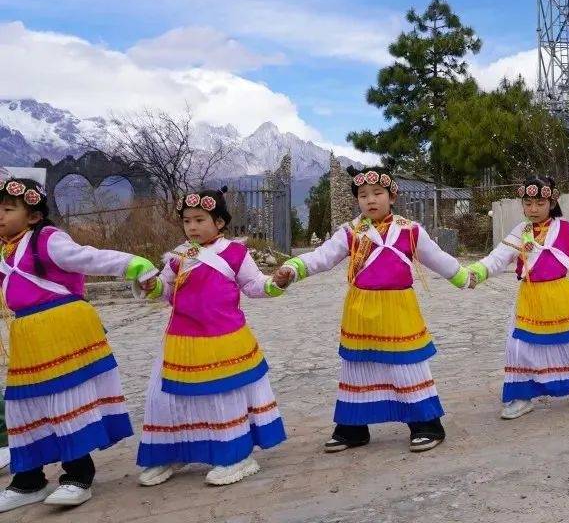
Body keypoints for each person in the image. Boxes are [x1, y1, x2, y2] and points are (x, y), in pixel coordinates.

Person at [274, 167, 472, 453]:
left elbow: (437, 258)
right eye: (363, 195)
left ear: (392, 197)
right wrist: (293, 268)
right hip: (360, 311)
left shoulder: (410, 230)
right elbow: (323, 256)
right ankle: (352, 429)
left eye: (377, 193)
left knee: (407, 367)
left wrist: (464, 277)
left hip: (398, 310)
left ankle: (426, 425)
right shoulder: (351, 232)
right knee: (358, 368)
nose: (370, 200)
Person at [0, 178, 156, 512]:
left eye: (8, 209)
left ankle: (78, 475)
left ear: (33, 216)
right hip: (27, 334)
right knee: (23, 406)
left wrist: (133, 265)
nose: (0, 216)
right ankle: (28, 480)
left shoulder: (47, 240)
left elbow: (89, 258)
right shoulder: (5, 249)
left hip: (63, 328)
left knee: (65, 400)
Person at [135, 188, 287, 487]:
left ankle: (236, 455)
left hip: (223, 337)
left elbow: (254, 285)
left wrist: (277, 282)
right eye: (187, 221)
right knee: (169, 398)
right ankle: (176, 450)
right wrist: (151, 286)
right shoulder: (178, 256)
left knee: (221, 397)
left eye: (199, 220)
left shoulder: (235, 253)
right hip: (181, 338)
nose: (192, 227)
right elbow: (166, 289)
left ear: (219, 222)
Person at [467, 176, 569, 420]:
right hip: (529, 297)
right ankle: (523, 396)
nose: (533, 209)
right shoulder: (520, 232)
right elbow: (498, 258)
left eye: (540, 203)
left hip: (560, 295)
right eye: (528, 203)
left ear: (552, 203)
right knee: (521, 347)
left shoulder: (566, 229)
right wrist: (476, 272)